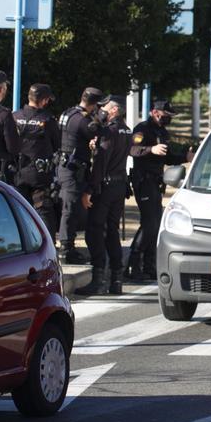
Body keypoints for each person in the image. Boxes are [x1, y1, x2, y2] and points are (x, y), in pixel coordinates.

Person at [126, 100, 189, 282]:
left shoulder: (162, 132)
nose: (168, 119)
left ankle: (149, 266)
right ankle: (132, 264)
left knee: (156, 224)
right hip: (143, 181)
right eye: (166, 116)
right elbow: (132, 149)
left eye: (170, 117)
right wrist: (150, 149)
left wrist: (185, 157)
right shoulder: (142, 129)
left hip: (156, 182)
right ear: (155, 112)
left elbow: (167, 157)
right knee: (149, 224)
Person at [76, 97, 133, 296]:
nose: (103, 111)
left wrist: (90, 189)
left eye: (106, 108)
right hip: (119, 184)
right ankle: (116, 280)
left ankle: (98, 280)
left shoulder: (109, 131)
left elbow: (101, 163)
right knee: (112, 232)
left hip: (106, 186)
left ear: (115, 109)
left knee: (95, 231)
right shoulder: (127, 130)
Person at [56, 87, 106, 264]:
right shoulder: (83, 120)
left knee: (70, 208)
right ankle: (66, 249)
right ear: (96, 105)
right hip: (73, 168)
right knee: (69, 209)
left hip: (64, 165)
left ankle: (67, 245)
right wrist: (101, 121)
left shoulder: (68, 113)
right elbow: (101, 134)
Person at [13, 84, 61, 234]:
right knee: (43, 212)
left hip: (17, 173)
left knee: (18, 211)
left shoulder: (14, 116)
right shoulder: (48, 120)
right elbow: (57, 145)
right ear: (44, 100)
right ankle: (48, 246)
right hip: (39, 175)